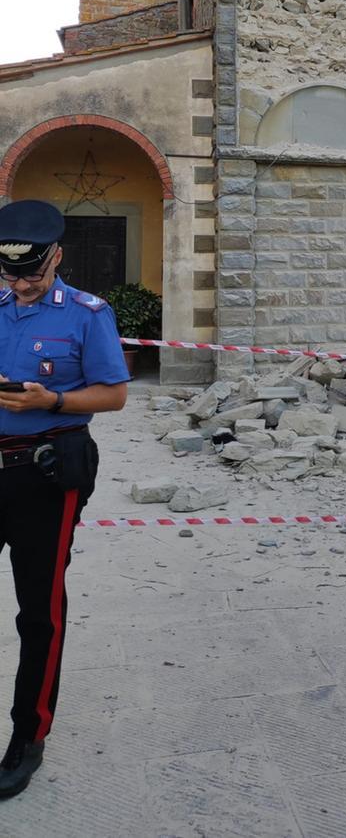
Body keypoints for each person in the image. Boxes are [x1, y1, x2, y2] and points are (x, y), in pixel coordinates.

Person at [0, 200, 129, 800]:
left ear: (56, 256)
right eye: (9, 274)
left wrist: (49, 402)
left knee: (39, 613)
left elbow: (113, 395)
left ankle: (29, 736)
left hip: (45, 474)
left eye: (31, 273)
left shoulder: (87, 314)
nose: (21, 285)